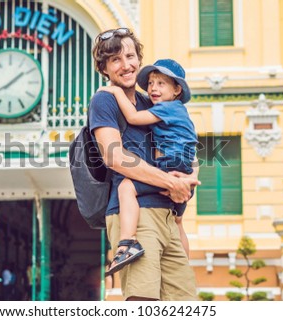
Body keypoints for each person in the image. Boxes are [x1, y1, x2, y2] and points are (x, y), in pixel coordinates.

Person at [90, 27, 199, 301]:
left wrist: (187, 180)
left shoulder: (148, 100)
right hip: (136, 217)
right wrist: (170, 181)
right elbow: (114, 156)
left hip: (168, 215)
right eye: (115, 59)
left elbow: (187, 143)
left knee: (184, 303)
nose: (126, 65)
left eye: (130, 56)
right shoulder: (104, 100)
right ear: (104, 68)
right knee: (143, 302)